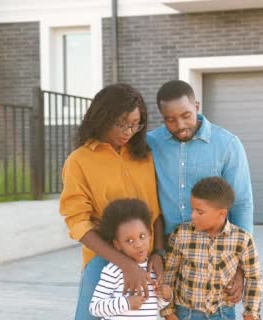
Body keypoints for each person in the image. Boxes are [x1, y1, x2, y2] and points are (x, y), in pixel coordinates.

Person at [60, 83, 166, 320]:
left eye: (135, 124)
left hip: (145, 258)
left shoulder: (144, 155)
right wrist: (124, 265)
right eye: (121, 123)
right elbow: (78, 222)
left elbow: (155, 211)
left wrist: (158, 252)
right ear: (102, 117)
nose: (128, 131)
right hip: (103, 259)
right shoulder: (79, 161)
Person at [146, 80, 253, 302]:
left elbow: (241, 204)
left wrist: (241, 266)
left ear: (197, 105)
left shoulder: (227, 144)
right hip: (167, 250)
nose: (180, 125)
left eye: (186, 115)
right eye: (170, 119)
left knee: (218, 312)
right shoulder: (151, 143)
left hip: (217, 250)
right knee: (171, 312)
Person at [160, 177, 263, 320]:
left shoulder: (242, 239)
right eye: (192, 209)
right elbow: (168, 273)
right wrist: (168, 313)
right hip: (186, 313)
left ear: (221, 214)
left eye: (200, 212)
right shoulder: (182, 234)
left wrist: (251, 313)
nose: (192, 216)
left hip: (223, 314)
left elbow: (254, 278)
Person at [89, 199, 172, 319]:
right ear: (117, 244)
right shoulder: (113, 271)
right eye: (129, 240)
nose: (138, 244)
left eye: (142, 236)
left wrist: (166, 297)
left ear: (150, 235)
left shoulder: (152, 268)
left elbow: (154, 306)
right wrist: (126, 303)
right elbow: (95, 308)